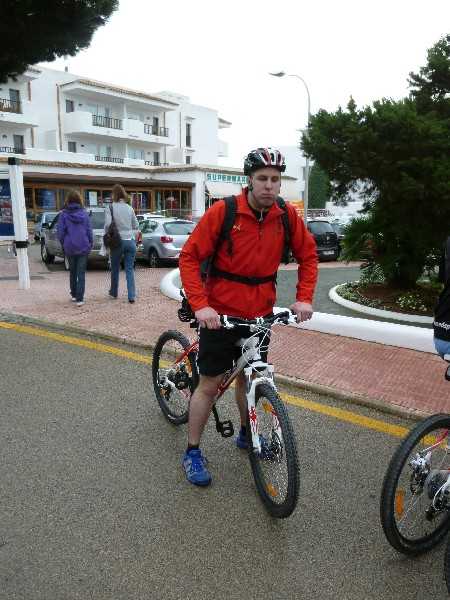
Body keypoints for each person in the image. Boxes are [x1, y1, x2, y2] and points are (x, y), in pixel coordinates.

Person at [178, 147, 318, 486]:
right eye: (262, 178)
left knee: (250, 378)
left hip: (259, 316)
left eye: (275, 179)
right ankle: (192, 451)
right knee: (209, 385)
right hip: (220, 315)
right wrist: (201, 305)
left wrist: (304, 298)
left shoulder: (285, 216)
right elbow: (189, 258)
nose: (269, 185)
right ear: (250, 180)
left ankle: (246, 432)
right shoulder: (225, 212)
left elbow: (309, 256)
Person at [57, 189, 93, 307]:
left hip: (70, 247)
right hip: (83, 245)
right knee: (81, 273)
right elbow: (89, 231)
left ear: (68, 200)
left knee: (72, 271)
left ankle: (73, 294)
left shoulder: (63, 214)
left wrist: (64, 243)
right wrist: (90, 243)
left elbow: (60, 232)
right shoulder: (85, 214)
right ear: (79, 200)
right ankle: (80, 299)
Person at [104, 184, 139, 303]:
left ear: (114, 194)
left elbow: (108, 225)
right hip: (130, 241)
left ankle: (114, 292)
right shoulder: (130, 208)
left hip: (117, 242)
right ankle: (131, 296)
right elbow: (136, 225)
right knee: (129, 269)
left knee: (115, 268)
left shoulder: (110, 207)